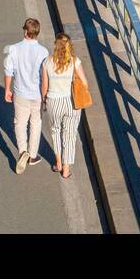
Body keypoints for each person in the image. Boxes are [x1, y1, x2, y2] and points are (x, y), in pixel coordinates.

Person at [4, 18, 49, 173]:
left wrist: (7, 89)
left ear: (25, 31)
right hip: (36, 93)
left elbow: (8, 71)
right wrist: (45, 95)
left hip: (20, 92)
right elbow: (45, 76)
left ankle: (23, 150)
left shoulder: (14, 49)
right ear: (37, 33)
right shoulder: (44, 52)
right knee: (36, 123)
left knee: (20, 123)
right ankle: (32, 155)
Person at [42, 32, 87, 179]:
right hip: (71, 102)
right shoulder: (75, 61)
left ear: (55, 45)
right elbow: (85, 83)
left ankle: (59, 163)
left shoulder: (47, 62)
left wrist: (43, 101)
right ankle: (66, 169)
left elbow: (44, 86)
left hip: (54, 101)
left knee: (55, 131)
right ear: (69, 45)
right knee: (69, 135)